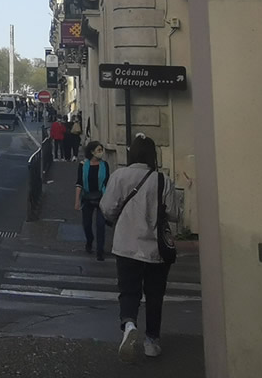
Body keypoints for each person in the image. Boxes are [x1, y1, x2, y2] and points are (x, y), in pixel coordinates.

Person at [100, 134, 179, 363]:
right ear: (153, 155)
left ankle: (129, 324)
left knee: (128, 290)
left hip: (126, 245)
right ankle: (151, 342)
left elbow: (107, 208)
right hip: (155, 249)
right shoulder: (162, 179)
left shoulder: (119, 176)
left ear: (131, 153)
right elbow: (174, 213)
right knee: (155, 295)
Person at [75, 140, 110, 261]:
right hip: (87, 197)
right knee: (87, 224)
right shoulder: (83, 165)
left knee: (100, 225)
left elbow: (107, 182)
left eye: (102, 150)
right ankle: (89, 241)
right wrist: (77, 201)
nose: (101, 152)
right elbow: (79, 183)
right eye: (98, 150)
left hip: (101, 197)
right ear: (92, 152)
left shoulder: (104, 165)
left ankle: (100, 250)